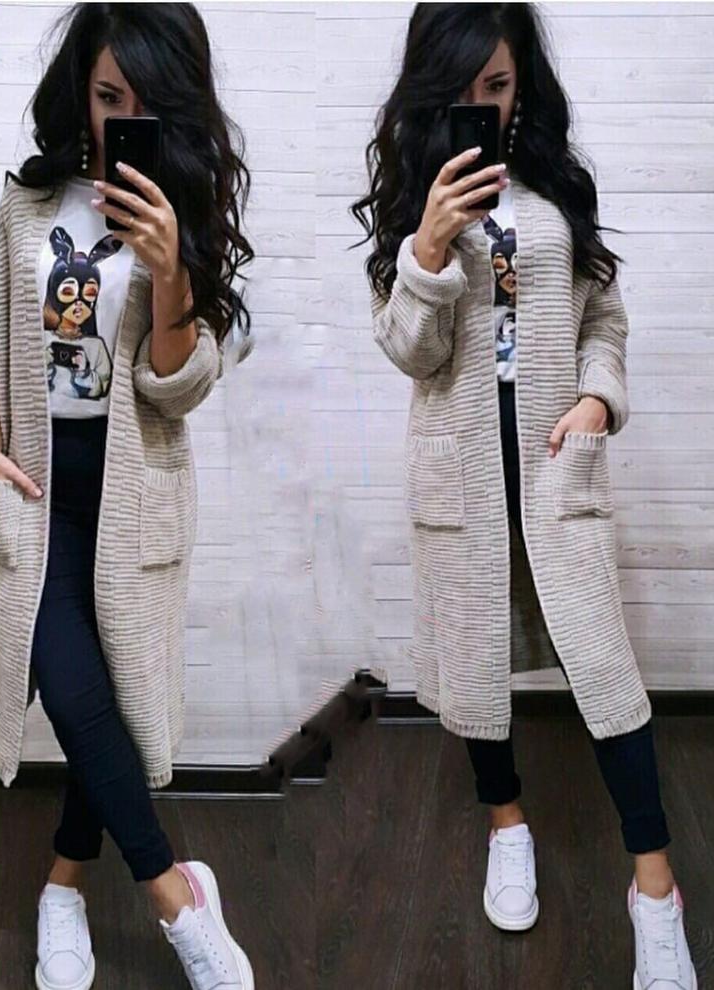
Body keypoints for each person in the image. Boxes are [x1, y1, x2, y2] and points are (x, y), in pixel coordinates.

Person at [351, 5, 698, 988]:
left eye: (498, 89)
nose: (484, 108)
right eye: (463, 92)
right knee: (475, 669)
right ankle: (507, 824)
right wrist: (426, 250)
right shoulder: (414, 204)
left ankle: (656, 890)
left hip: (553, 464)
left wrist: (597, 399)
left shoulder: (556, 190)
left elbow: (605, 322)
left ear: (522, 86)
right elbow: (411, 354)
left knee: (607, 674)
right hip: (458, 476)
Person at [0, 5, 254, 988]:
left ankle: (63, 883)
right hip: (37, 484)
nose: (118, 121)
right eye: (105, 98)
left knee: (115, 701)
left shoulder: (188, 217)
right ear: (78, 92)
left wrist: (171, 274)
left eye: (142, 105)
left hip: (134, 490)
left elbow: (176, 389)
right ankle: (177, 900)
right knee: (68, 680)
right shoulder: (24, 205)